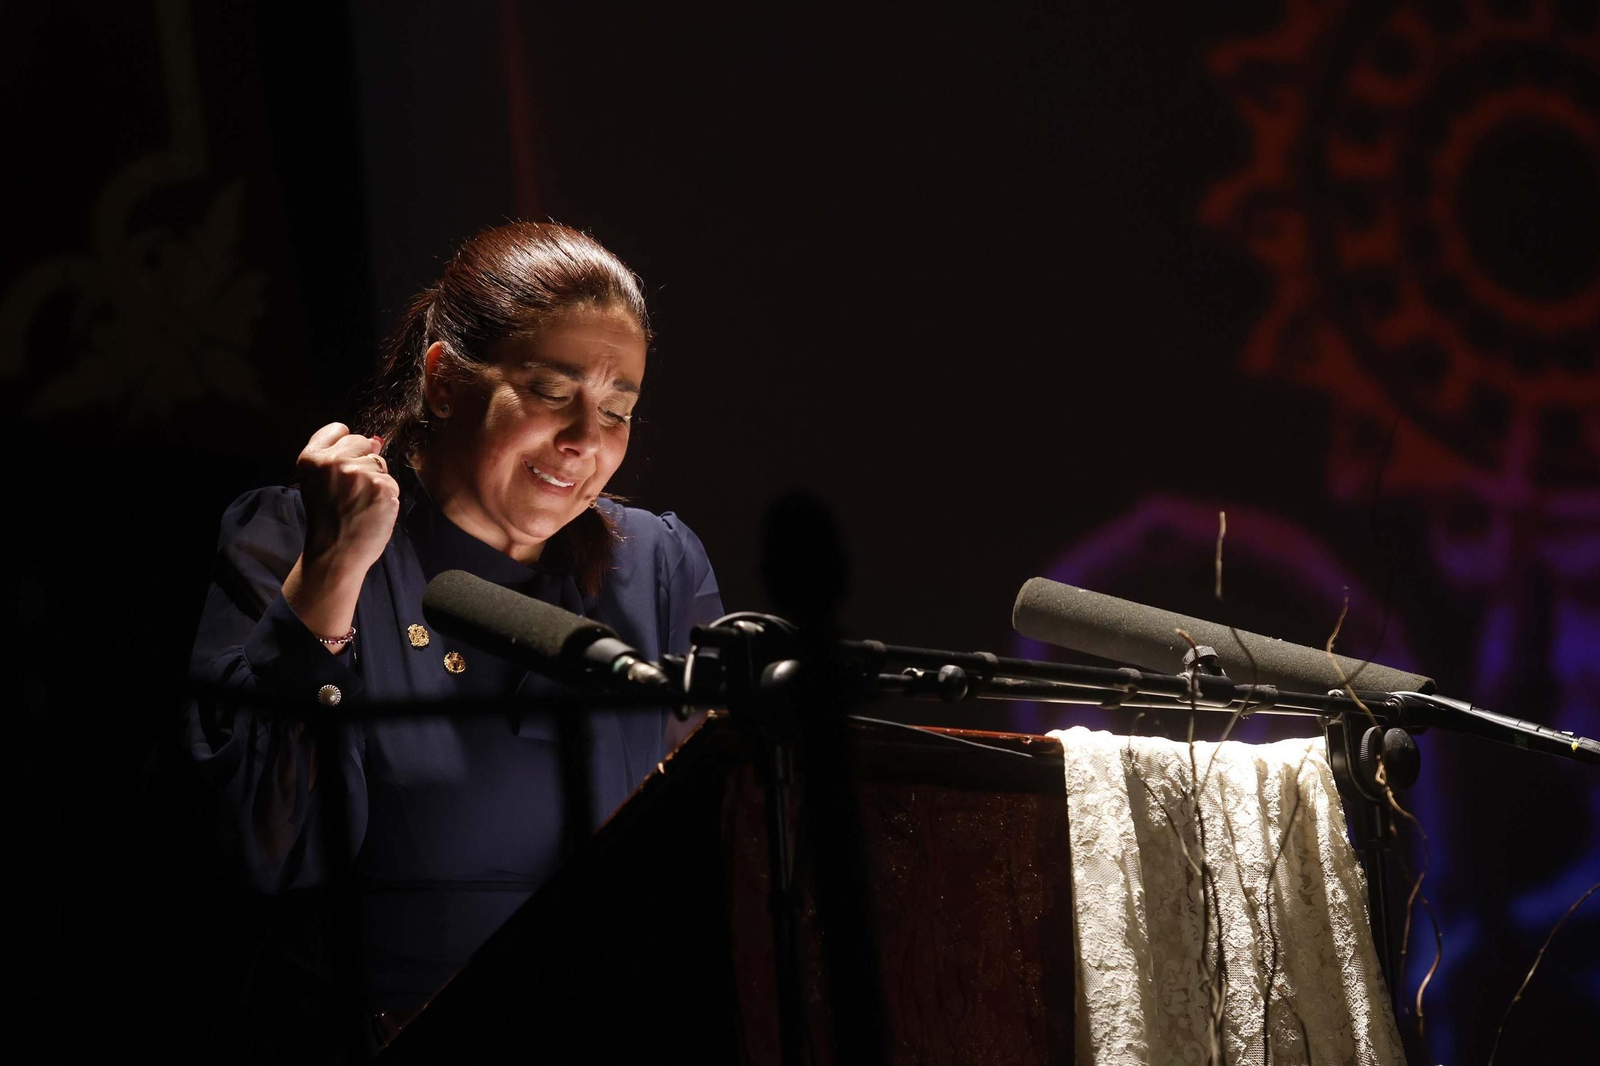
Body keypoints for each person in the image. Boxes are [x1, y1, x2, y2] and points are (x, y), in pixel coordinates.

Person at [182, 222, 723, 1053]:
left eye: (618, 411)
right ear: (441, 381)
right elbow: (258, 848)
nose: (586, 440)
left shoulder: (655, 564)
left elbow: (708, 845)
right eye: (552, 393)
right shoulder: (296, 536)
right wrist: (332, 570)